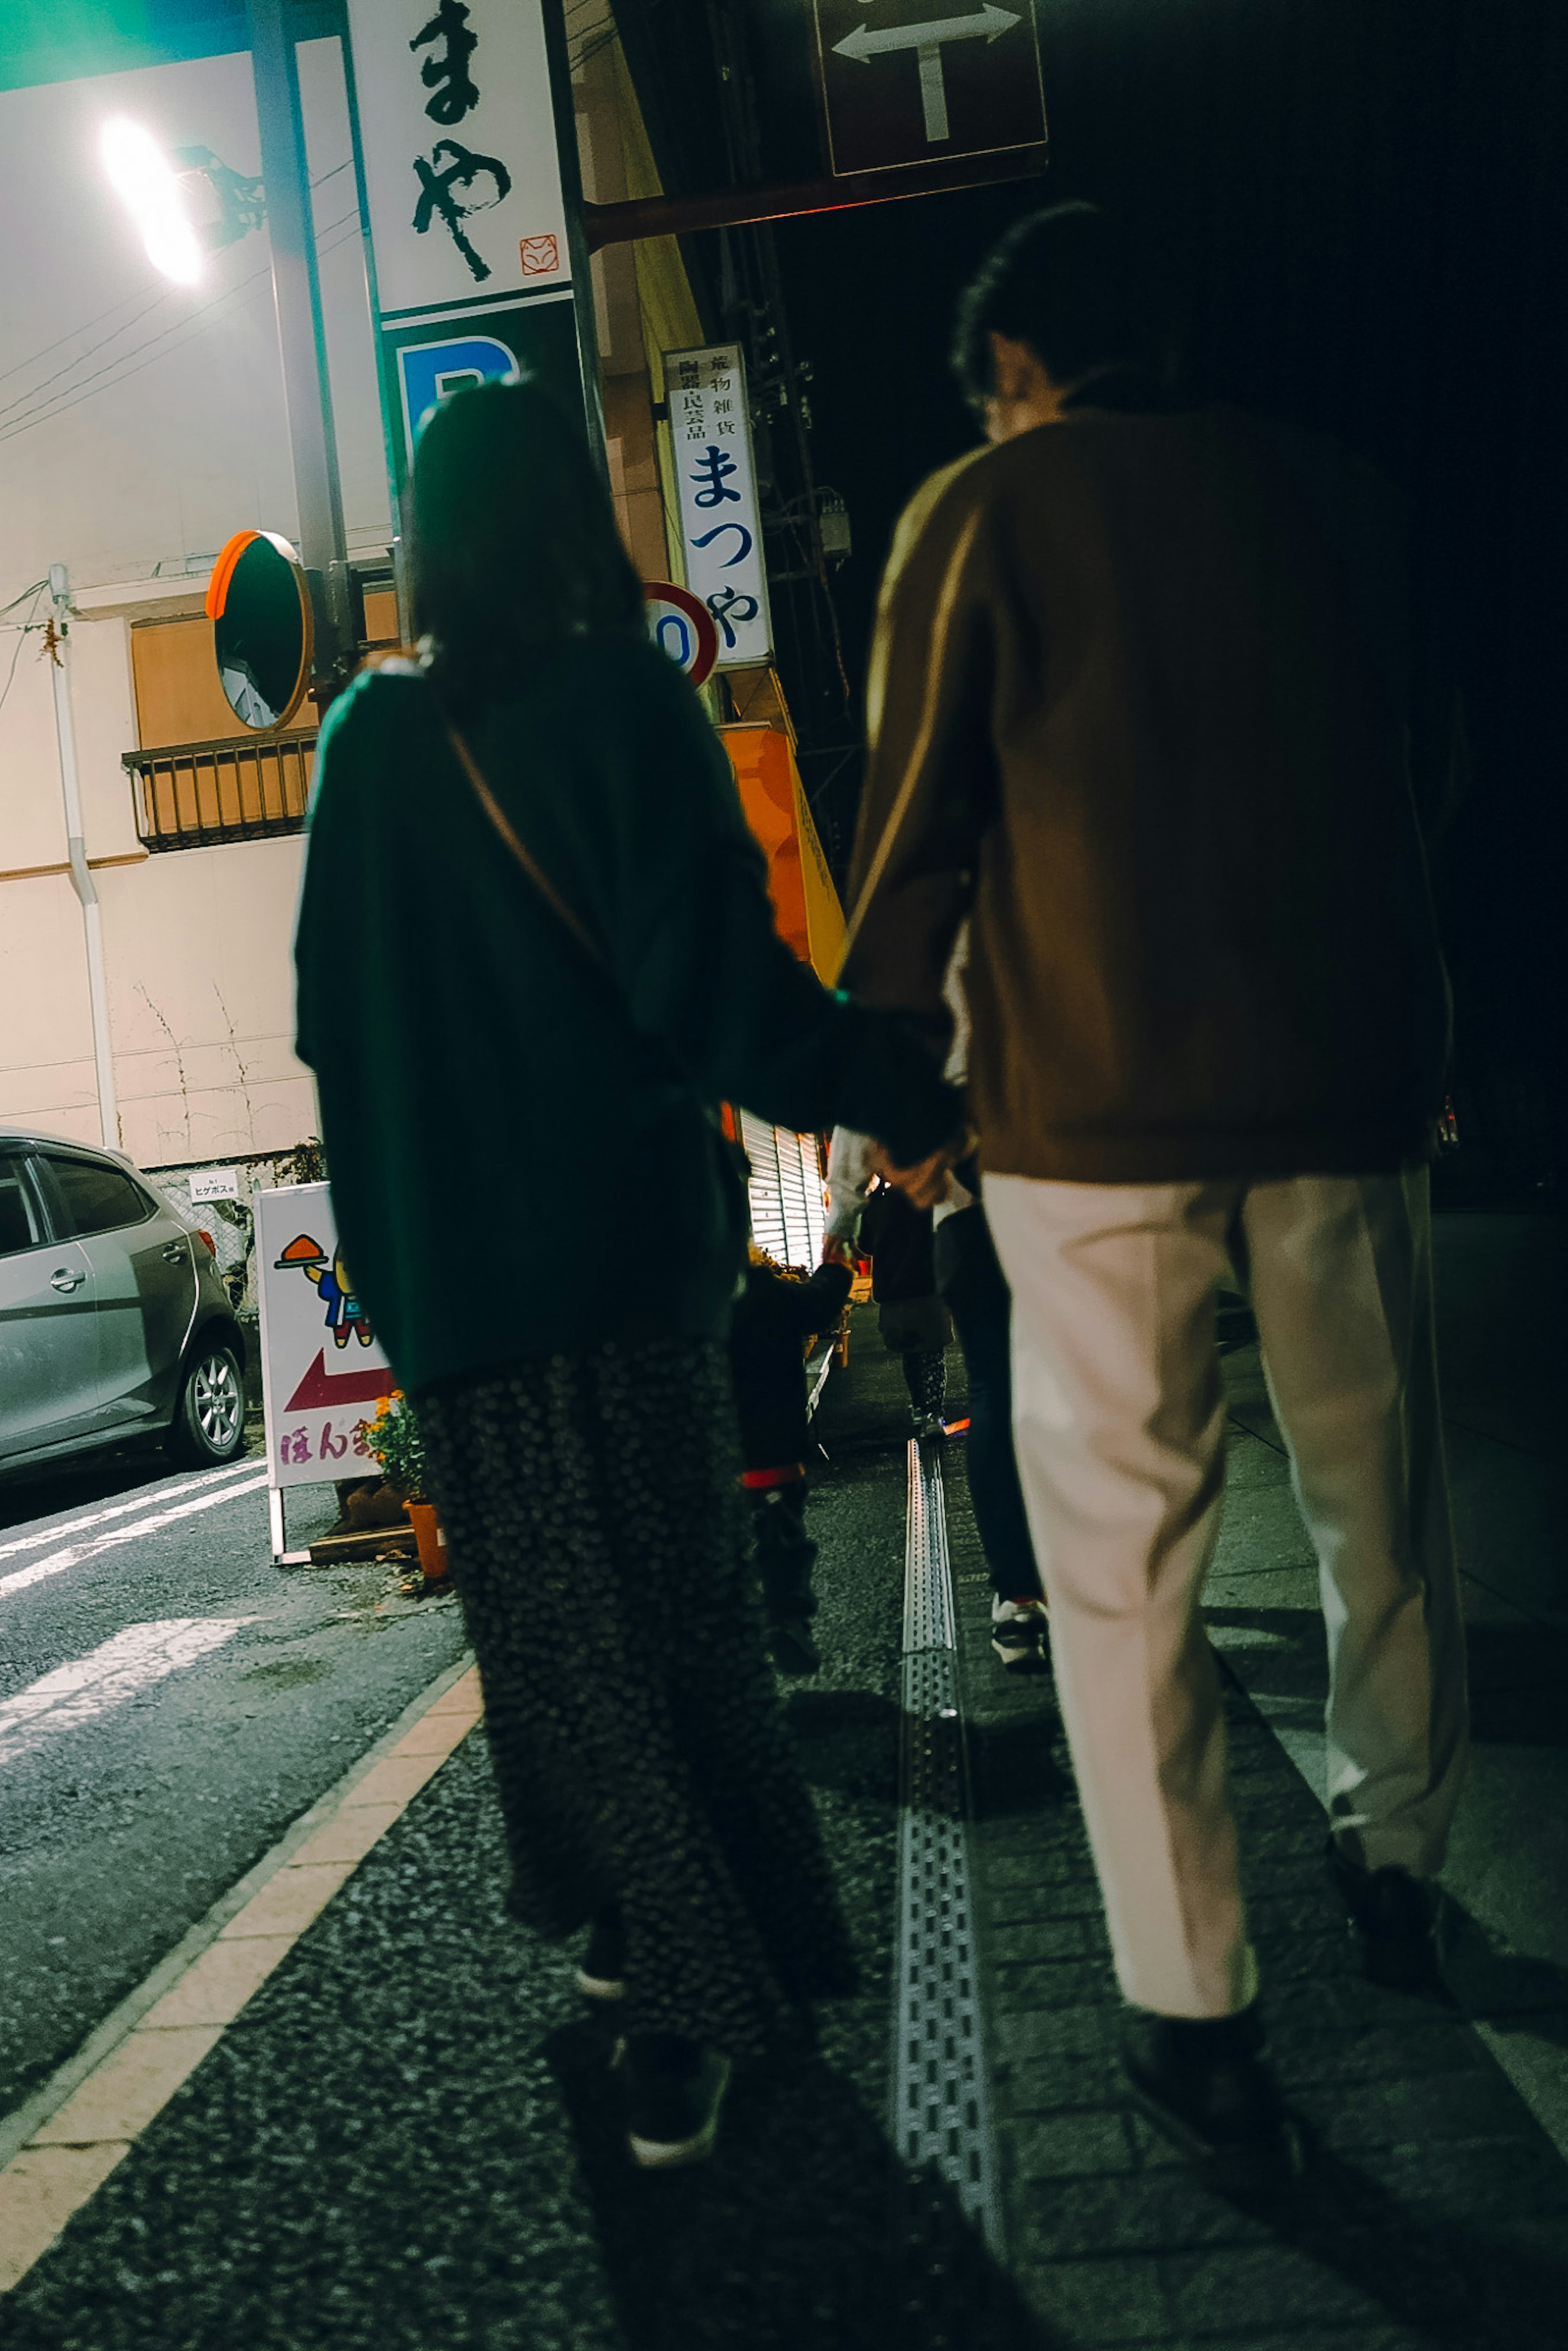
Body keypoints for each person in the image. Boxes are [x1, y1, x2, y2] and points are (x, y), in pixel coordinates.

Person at [840, 204, 1464, 2186]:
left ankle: (1194, 2009)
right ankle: (1395, 1861)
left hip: (1086, 1107)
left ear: (1019, 370)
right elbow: (1430, 765)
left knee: (1125, 1559)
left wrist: (889, 1087)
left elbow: (921, 812)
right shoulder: (1345, 500)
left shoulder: (986, 514)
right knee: (1383, 1487)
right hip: (1343, 1077)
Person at [294, 377, 960, 2170]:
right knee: (679, 1633)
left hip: (461, 1301)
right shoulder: (623, 709)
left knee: (556, 1648)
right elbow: (718, 989)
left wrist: (397, 1289)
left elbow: (332, 1042)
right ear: (579, 527)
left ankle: (620, 1928)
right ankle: (691, 1998)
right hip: (625, 1272)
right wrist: (887, 1084)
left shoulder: (362, 746)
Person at [726, 1206, 853, 1676]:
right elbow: (818, 1304)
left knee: (725, 1555)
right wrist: (836, 1265)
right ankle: (786, 1620)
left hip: (712, 1465)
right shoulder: (760, 1292)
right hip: (773, 1457)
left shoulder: (676, 1302)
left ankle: (735, 1638)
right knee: (782, 1545)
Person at [826, 1128, 950, 1435]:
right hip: (927, 1286)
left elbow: (866, 1246)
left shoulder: (875, 1204)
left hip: (894, 1290)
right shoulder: (928, 1196)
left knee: (911, 1355)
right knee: (932, 1354)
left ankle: (920, 1409)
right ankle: (934, 1413)